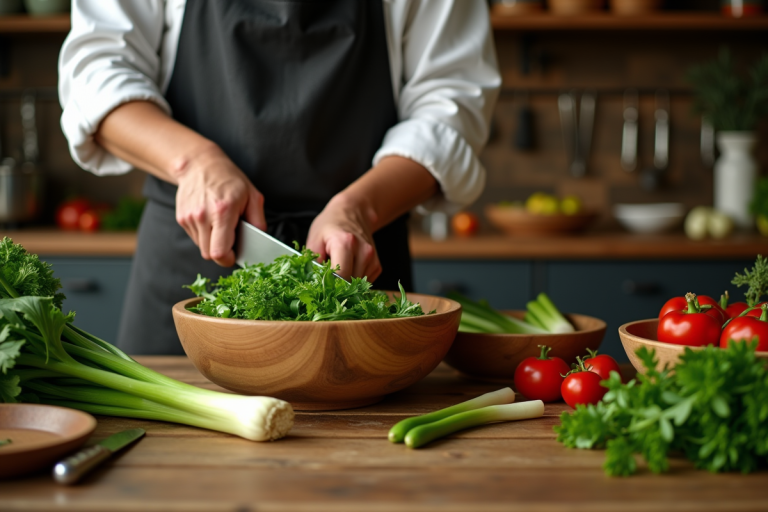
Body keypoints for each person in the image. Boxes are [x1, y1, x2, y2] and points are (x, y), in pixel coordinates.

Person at [58, 0, 500, 355]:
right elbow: (96, 74)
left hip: (353, 266)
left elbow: (451, 106)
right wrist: (195, 162)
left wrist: (357, 208)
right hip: (191, 255)